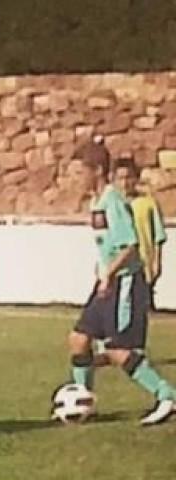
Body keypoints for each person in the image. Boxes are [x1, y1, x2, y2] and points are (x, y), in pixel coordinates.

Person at [65, 147, 174, 425]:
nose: (75, 178)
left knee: (118, 350)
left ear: (97, 171)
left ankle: (166, 395)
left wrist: (109, 273)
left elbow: (130, 245)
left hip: (124, 282)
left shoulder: (112, 200)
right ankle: (83, 398)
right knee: (79, 340)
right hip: (107, 281)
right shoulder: (97, 202)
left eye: (79, 172)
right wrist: (102, 270)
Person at [117, 157, 167, 293]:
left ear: (136, 178)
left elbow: (158, 236)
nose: (125, 183)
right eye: (120, 179)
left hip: (143, 264)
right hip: (119, 265)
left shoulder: (148, 203)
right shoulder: (114, 205)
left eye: (128, 178)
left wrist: (157, 262)